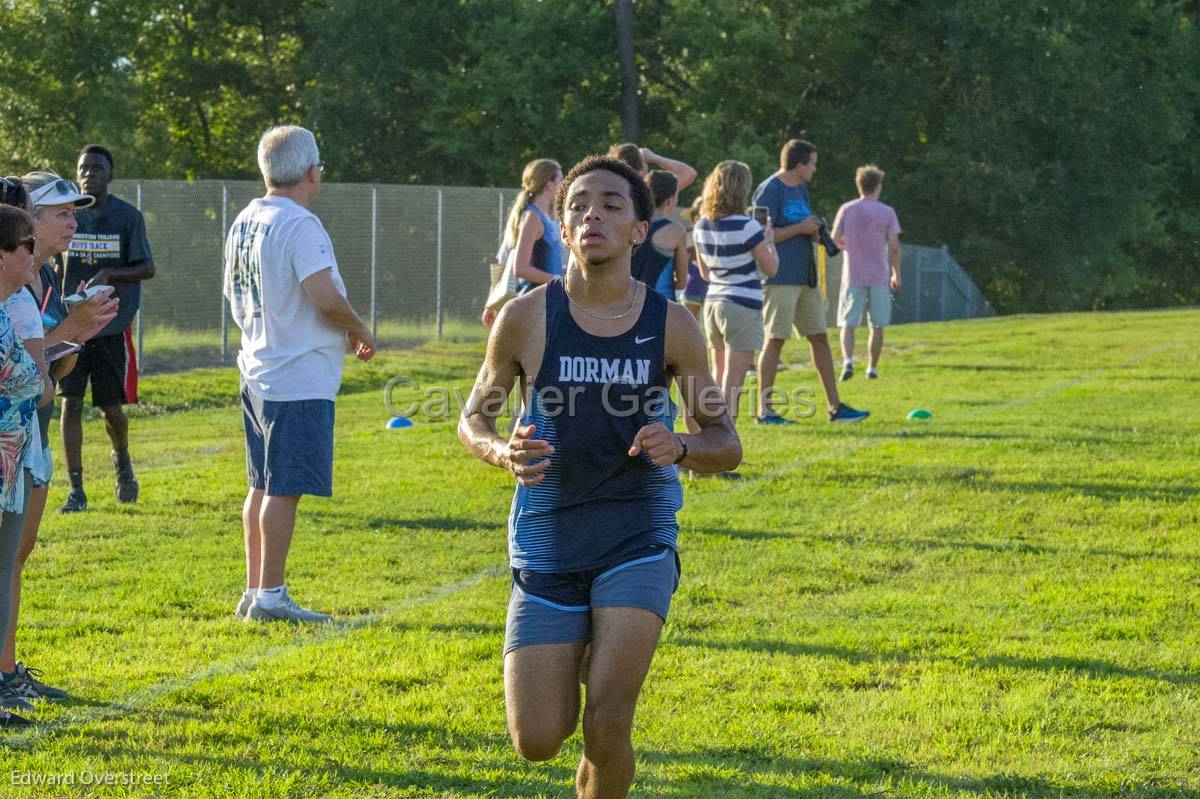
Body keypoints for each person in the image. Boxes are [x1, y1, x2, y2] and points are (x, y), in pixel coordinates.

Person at [458, 154, 741, 798]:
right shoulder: (525, 317)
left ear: (641, 229)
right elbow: (474, 417)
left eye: (613, 205)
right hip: (548, 536)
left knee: (608, 721)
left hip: (635, 534)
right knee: (536, 740)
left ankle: (611, 652)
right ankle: (590, 640)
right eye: (580, 204)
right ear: (561, 224)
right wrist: (501, 451)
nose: (594, 215)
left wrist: (682, 445)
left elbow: (726, 443)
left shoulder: (673, 324)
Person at [224, 125, 375, 624]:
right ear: (312, 172)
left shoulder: (244, 219)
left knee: (261, 485)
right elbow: (325, 297)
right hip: (296, 372)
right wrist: (360, 329)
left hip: (258, 366)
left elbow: (233, 296)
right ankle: (270, 595)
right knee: (283, 487)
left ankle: (254, 589)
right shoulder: (301, 223)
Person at [0, 176, 116, 704]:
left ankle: (7, 670)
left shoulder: (44, 275)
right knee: (6, 561)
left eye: (75, 213)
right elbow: (30, 373)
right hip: (15, 434)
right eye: (61, 213)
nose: (72, 223)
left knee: (14, 561)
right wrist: (72, 326)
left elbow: (53, 367)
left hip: (29, 433)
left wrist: (78, 332)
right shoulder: (16, 281)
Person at [58, 145, 157, 512]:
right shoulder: (67, 217)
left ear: (109, 175)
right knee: (69, 403)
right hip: (70, 326)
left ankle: (122, 459)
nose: (90, 174)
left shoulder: (126, 217)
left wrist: (109, 273)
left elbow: (147, 267)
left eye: (97, 168)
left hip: (110, 326)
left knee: (111, 410)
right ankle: (76, 489)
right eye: (84, 168)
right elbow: (53, 264)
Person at [751, 139, 869, 424]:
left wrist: (813, 233)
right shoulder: (770, 190)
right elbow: (758, 235)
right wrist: (799, 228)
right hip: (779, 277)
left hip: (806, 277)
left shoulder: (801, 189)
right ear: (799, 164)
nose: (815, 169)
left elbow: (800, 227)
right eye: (812, 163)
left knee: (819, 338)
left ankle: (835, 407)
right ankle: (764, 411)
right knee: (775, 340)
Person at [0, 206, 48, 727]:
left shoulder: (6, 311)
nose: (34, 255)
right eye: (27, 246)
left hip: (10, 463)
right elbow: (33, 384)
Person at [692, 160, 778, 421]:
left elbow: (705, 273)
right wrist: (770, 241)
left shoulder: (701, 225)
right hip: (741, 303)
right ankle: (723, 440)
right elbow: (771, 268)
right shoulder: (747, 225)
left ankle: (707, 437)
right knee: (734, 380)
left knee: (717, 377)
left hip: (713, 303)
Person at [833, 165, 901, 380]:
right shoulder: (887, 212)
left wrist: (848, 246)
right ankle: (871, 367)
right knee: (878, 324)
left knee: (848, 322)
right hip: (879, 276)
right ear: (878, 186)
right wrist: (896, 273)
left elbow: (834, 239)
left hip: (852, 275)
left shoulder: (847, 209)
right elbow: (894, 247)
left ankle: (848, 362)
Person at [483, 159, 564, 329]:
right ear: (549, 184)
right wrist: (558, 280)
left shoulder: (550, 218)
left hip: (547, 305)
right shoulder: (532, 217)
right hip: (532, 307)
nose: (564, 185)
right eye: (560, 180)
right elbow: (520, 268)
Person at [629, 171, 687, 300]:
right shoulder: (676, 231)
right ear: (670, 200)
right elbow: (682, 282)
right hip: (661, 305)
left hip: (626, 303)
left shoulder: (628, 226)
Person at [607, 143, 697, 191]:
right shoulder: (649, 193)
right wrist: (654, 157)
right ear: (643, 167)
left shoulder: (611, 192)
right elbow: (689, 173)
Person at [678, 197, 707, 323]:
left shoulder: (715, 235)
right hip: (692, 285)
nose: (700, 217)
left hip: (710, 287)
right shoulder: (687, 236)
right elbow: (682, 261)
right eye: (697, 215)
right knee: (690, 324)